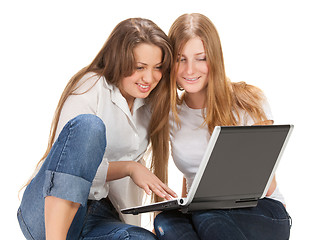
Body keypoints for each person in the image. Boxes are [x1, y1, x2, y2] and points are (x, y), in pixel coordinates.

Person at [17, 17, 177, 240]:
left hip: (101, 215)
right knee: (89, 127)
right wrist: (129, 168)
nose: (149, 78)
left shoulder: (150, 104)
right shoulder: (91, 86)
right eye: (139, 67)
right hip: (46, 210)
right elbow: (70, 165)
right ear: (118, 60)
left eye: (157, 68)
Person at [154, 13, 291, 240]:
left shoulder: (249, 100)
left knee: (207, 213)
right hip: (204, 215)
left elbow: (267, 186)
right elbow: (191, 176)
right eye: (181, 59)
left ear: (214, 59)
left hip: (263, 212)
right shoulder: (172, 115)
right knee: (165, 221)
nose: (189, 70)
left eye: (200, 58)